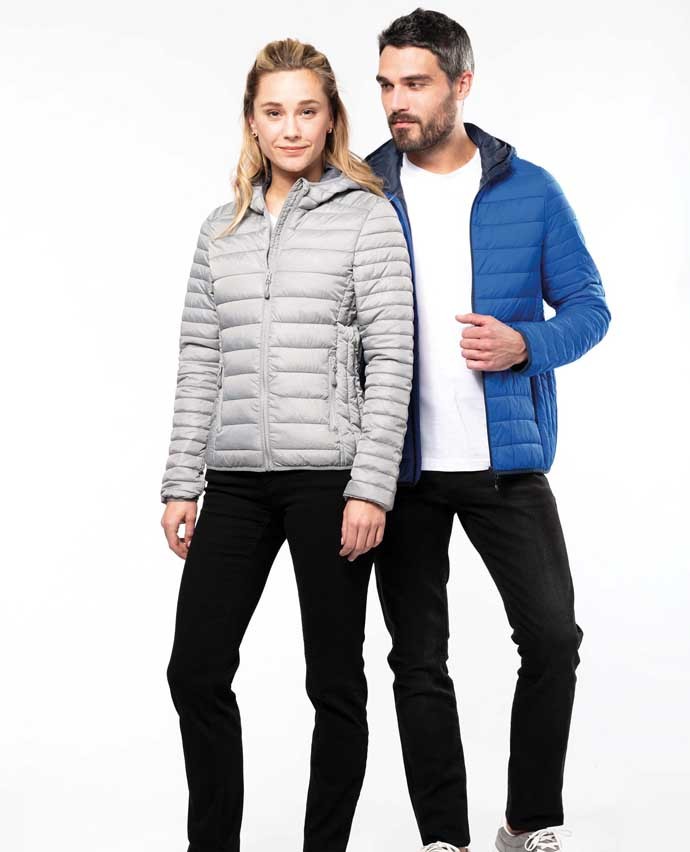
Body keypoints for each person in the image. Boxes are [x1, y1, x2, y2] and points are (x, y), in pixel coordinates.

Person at [364, 9, 611, 852]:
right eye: (387, 84)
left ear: (462, 83)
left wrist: (525, 344)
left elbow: (589, 308)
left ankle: (526, 823)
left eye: (416, 83)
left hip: (506, 462)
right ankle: (444, 839)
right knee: (417, 659)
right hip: (399, 468)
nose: (397, 101)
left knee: (552, 638)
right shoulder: (359, 190)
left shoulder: (530, 190)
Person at [159, 38, 413, 852]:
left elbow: (392, 357)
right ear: (252, 121)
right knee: (195, 670)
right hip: (234, 479)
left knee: (333, 681)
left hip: (330, 479)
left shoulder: (367, 215)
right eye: (275, 111)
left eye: (308, 110)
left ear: (332, 117)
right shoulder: (221, 230)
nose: (292, 127)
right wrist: (181, 481)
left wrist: (370, 486)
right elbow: (200, 360)